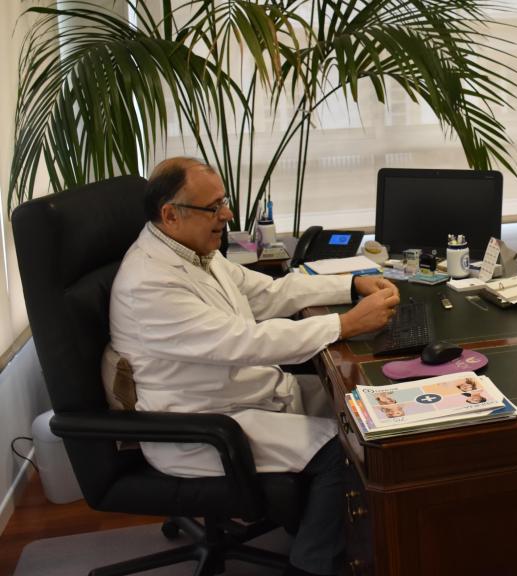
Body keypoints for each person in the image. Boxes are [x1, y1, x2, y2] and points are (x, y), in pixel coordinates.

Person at [109, 157, 400, 576]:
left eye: (223, 201)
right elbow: (244, 342)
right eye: (214, 207)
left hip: (241, 394)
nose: (227, 214)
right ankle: (313, 564)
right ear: (171, 214)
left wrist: (349, 285)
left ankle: (334, 528)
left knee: (362, 411)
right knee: (345, 449)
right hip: (202, 425)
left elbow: (266, 293)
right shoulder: (150, 282)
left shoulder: (193, 252)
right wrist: (345, 324)